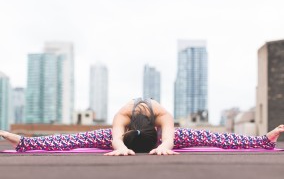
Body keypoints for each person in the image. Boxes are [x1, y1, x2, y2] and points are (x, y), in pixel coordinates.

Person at [0, 98, 283, 156]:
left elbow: (170, 140)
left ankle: (263, 140)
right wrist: (121, 148)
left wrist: (164, 147)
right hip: (130, 136)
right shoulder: (121, 118)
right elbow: (112, 140)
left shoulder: (163, 117)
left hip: (157, 136)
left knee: (210, 136)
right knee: (77, 139)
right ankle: (21, 141)